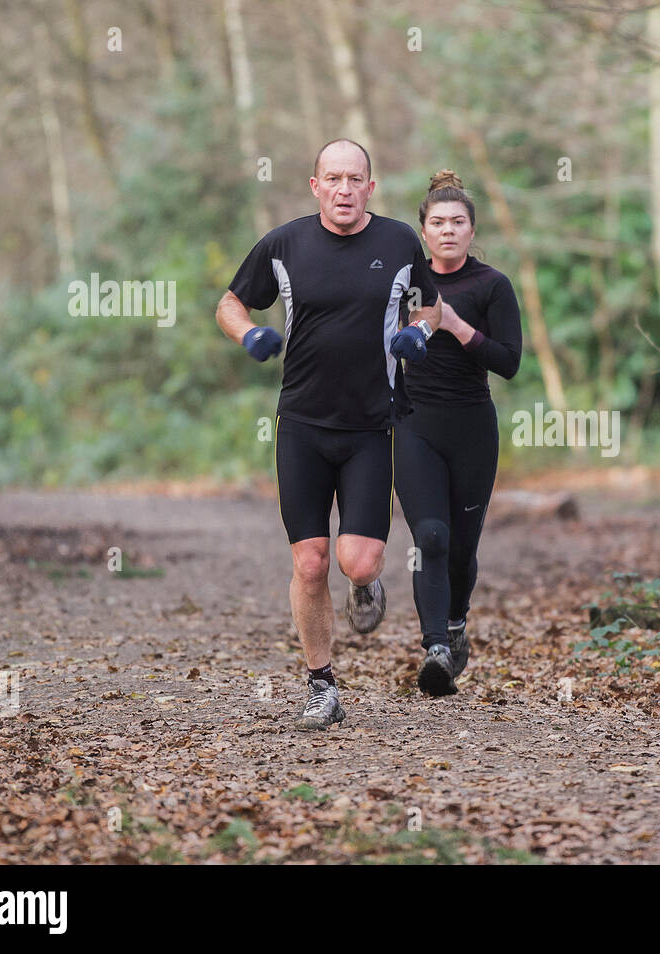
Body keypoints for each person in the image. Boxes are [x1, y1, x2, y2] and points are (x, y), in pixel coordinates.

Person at [214, 139, 444, 729]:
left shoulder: (397, 243)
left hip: (370, 425)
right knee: (311, 563)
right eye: (333, 179)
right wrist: (248, 336)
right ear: (315, 186)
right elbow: (231, 302)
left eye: (355, 179)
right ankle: (322, 686)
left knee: (358, 561)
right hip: (302, 426)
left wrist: (418, 333)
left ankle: (366, 588)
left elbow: (429, 307)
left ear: (371, 186)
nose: (344, 189)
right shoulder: (284, 244)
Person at [394, 170, 523, 696]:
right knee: (431, 537)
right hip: (415, 423)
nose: (448, 230)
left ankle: (456, 621)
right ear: (423, 231)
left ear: (472, 230)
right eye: (438, 222)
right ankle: (437, 649)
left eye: (458, 222)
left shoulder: (491, 286)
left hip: (472, 427)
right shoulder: (401, 283)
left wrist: (453, 324)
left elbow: (509, 362)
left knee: (464, 549)